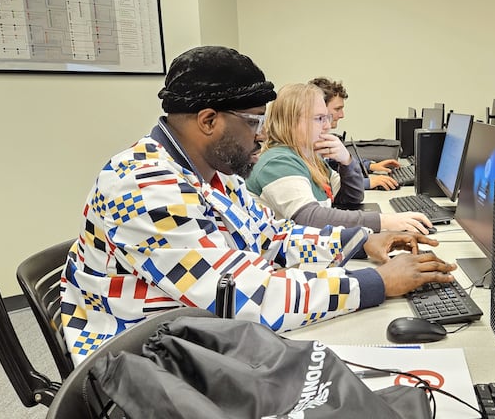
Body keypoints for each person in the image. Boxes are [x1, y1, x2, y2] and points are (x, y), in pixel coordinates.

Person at [60, 46, 456, 364]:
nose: (262, 135)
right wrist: (378, 282)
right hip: (138, 362)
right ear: (209, 120)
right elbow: (244, 299)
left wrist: (360, 241)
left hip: (194, 332)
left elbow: (273, 237)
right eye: (252, 122)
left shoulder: (212, 173)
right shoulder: (144, 186)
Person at [246, 83, 432, 233]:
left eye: (327, 118)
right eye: (319, 119)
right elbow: (309, 218)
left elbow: (350, 199)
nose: (327, 126)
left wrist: (347, 161)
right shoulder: (278, 162)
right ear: (292, 121)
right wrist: (384, 221)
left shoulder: (310, 158)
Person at [309, 77, 402, 190]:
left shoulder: (321, 141)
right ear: (320, 107)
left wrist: (370, 166)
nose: (342, 115)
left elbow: (333, 163)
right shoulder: (307, 146)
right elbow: (325, 185)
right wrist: (367, 183)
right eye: (337, 109)